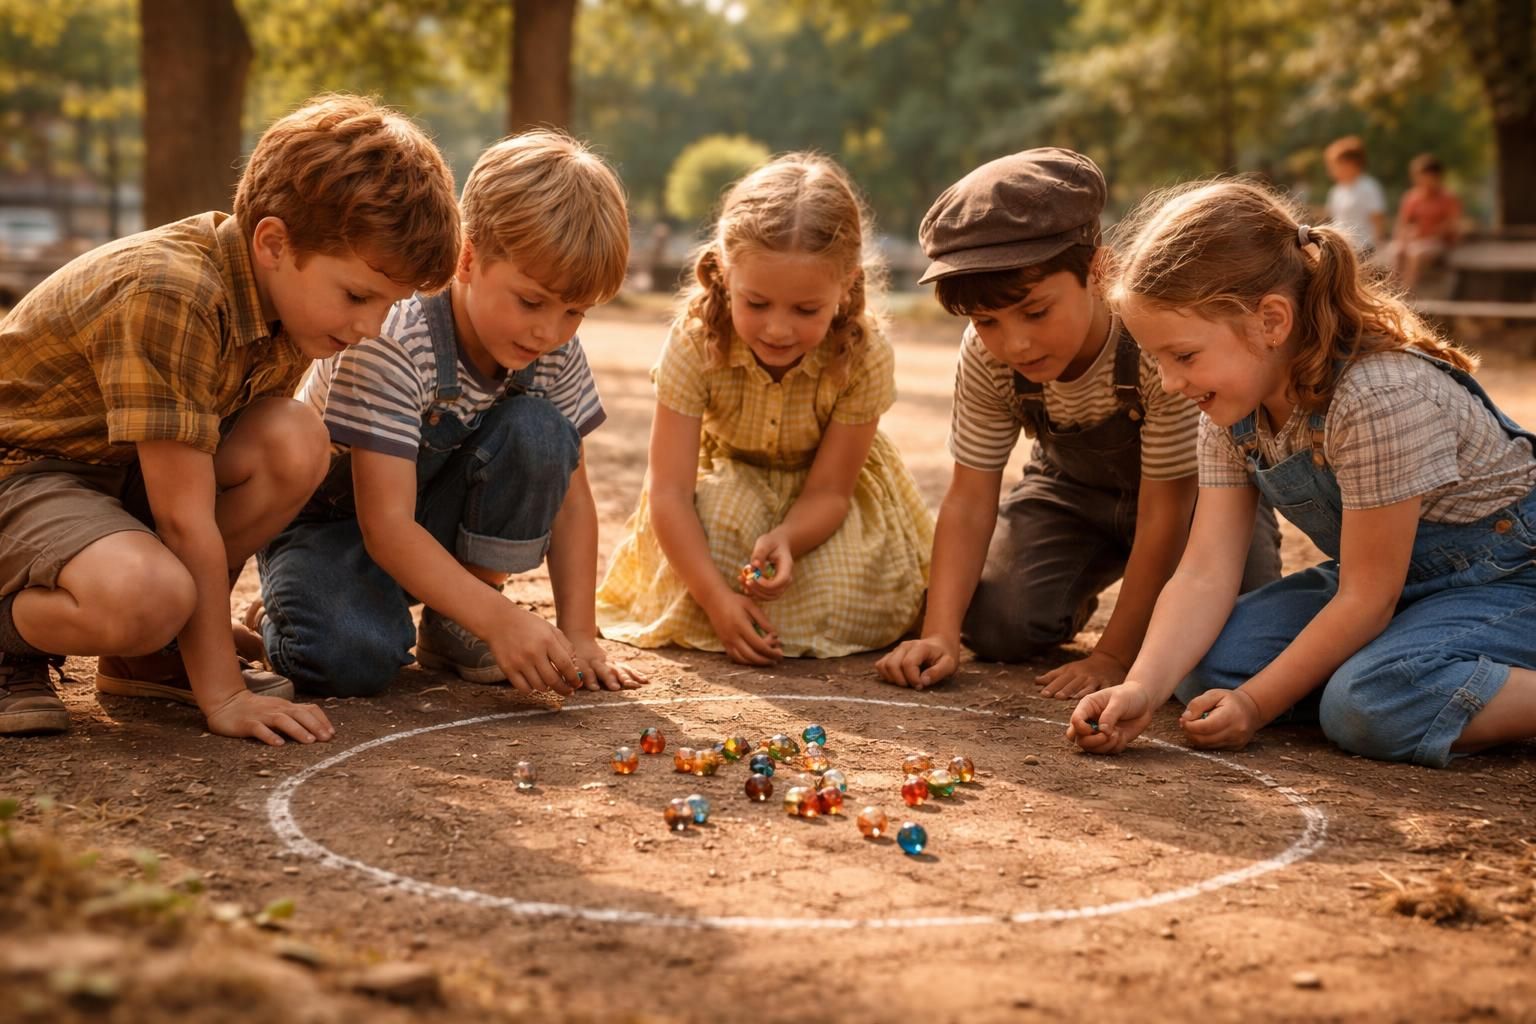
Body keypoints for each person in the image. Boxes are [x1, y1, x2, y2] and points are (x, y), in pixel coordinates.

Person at [0, 94, 460, 742]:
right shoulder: (173, 292)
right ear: (273, 241)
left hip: (112, 475)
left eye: (388, 305)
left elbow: (196, 485)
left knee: (295, 439)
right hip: (22, 473)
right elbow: (183, 520)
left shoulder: (286, 310)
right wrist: (224, 694)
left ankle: (146, 655)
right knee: (149, 594)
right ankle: (13, 644)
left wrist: (196, 635)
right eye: (358, 295)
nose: (369, 327)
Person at [1067, 180, 1536, 768]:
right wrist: (1140, 686)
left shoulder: (1377, 395)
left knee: (1369, 704)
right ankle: (1422, 664)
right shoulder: (1229, 409)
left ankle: (1427, 678)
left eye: (1183, 356)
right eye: (1155, 359)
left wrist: (1257, 704)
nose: (1170, 383)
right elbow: (1206, 571)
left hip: (1512, 579)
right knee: (1206, 665)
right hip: (1398, 585)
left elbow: (1368, 598)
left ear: (1271, 320)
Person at [251, 131, 646, 699]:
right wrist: (505, 622)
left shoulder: (551, 349)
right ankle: (280, 615)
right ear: (467, 259)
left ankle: (458, 621)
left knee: (540, 431)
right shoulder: (395, 336)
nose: (549, 331)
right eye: (531, 301)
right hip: (335, 527)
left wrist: (580, 633)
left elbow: (573, 502)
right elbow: (385, 526)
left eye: (574, 312)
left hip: (426, 522)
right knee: (349, 659)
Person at [877, 149, 1280, 696]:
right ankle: (1081, 588)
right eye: (987, 321)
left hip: (1194, 503)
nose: (1014, 342)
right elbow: (970, 498)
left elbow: (1165, 513)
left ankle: (1143, 624)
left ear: (1098, 270)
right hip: (1071, 496)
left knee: (1230, 646)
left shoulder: (1155, 345)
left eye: (1036, 312)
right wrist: (940, 634)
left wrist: (1113, 656)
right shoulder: (987, 356)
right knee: (995, 623)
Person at [595, 154, 934, 663]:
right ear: (726, 274)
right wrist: (714, 597)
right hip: (726, 485)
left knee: (839, 587)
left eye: (806, 310)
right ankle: (723, 609)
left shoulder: (864, 354)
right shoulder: (695, 342)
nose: (778, 330)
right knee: (723, 538)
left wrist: (789, 539)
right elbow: (668, 492)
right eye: (756, 304)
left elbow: (830, 491)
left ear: (844, 288)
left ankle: (779, 604)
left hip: (821, 504)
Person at [1390, 153, 1463, 291]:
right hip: (1415, 241)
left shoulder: (1448, 198)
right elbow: (1403, 223)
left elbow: (1452, 225)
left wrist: (1428, 233)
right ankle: (1392, 291)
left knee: (1416, 253)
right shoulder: (1412, 197)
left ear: (1436, 177)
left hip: (1438, 244)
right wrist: (1404, 239)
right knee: (1396, 251)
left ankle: (1406, 295)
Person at [1323, 135, 1386, 257]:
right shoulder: (1336, 190)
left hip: (1363, 248)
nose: (1332, 169)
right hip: (1340, 246)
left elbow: (1378, 221)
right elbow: (1333, 220)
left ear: (1350, 164)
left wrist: (1375, 250)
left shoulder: (1369, 186)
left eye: (1335, 164)